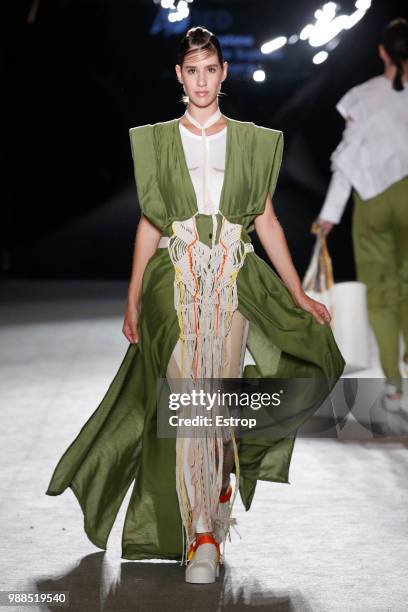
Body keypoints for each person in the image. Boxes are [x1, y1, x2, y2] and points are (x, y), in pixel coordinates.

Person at [45, 26, 345, 584]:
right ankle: (202, 531)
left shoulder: (251, 141)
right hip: (175, 282)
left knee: (220, 401)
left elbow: (266, 220)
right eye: (192, 70)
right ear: (179, 76)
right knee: (190, 404)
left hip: (232, 281)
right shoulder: (158, 141)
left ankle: (224, 471)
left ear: (223, 74)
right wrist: (133, 295)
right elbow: (150, 222)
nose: (202, 80)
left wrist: (298, 291)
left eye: (211, 69)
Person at [316, 18, 408, 411]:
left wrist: (329, 215)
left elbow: (348, 160)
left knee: (382, 297)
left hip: (372, 203)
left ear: (383, 51)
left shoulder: (362, 97)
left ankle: (393, 386)